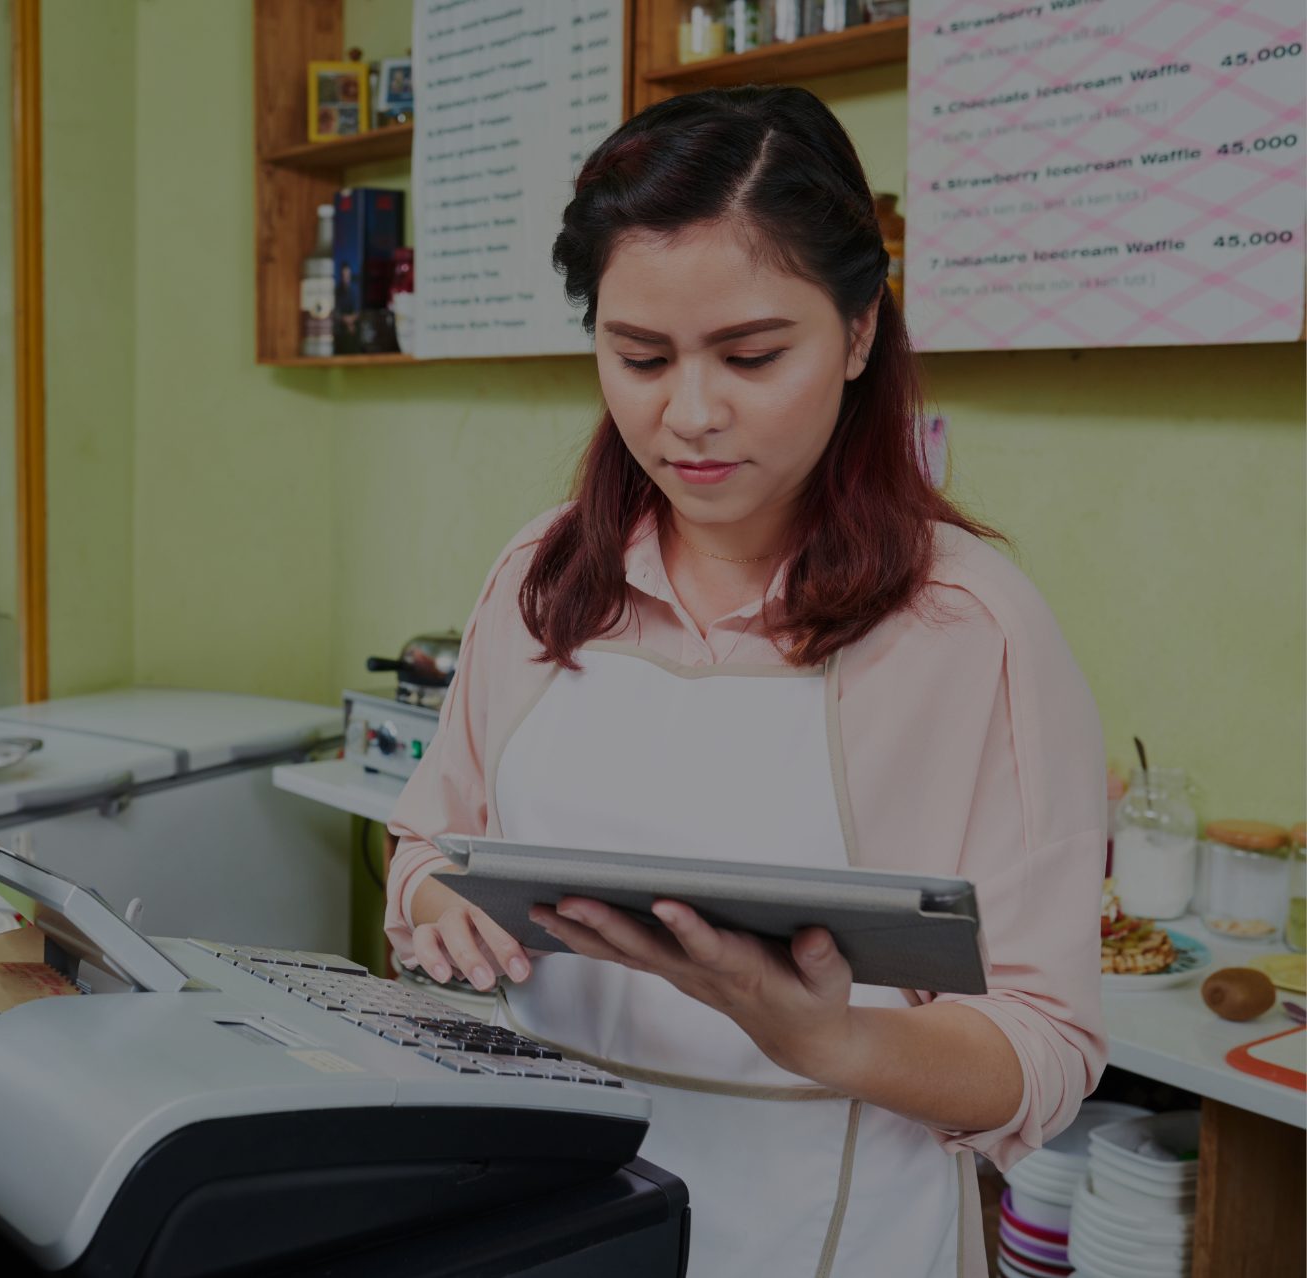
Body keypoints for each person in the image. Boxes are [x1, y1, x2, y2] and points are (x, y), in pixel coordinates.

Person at [383, 87, 1105, 1278]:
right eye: (640, 356)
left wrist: (827, 1039)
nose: (691, 415)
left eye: (754, 354)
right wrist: (433, 909)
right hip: (544, 1216)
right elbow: (427, 844)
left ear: (862, 332)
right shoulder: (545, 573)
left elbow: (1052, 1049)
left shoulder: (972, 631)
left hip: (835, 1235)